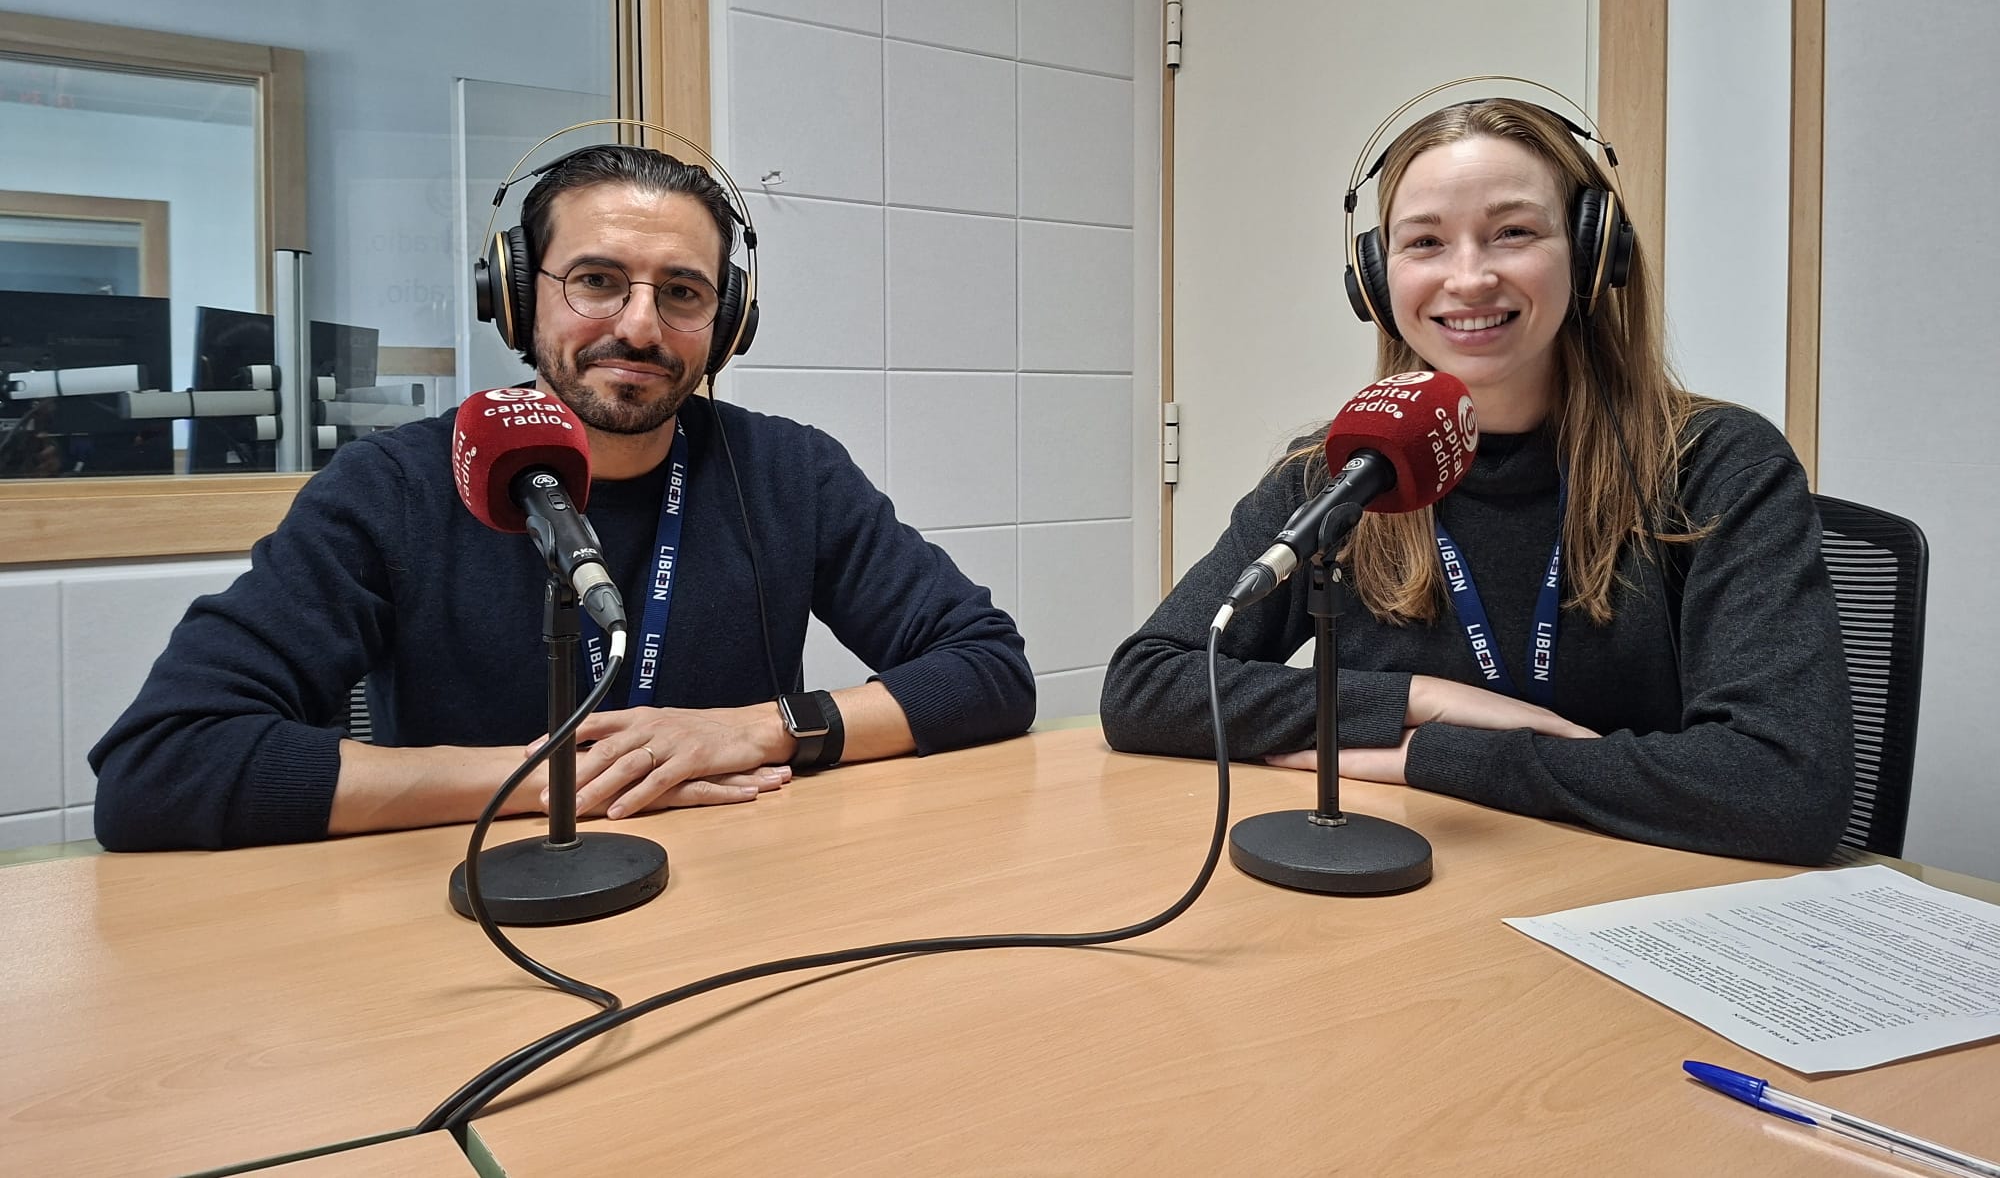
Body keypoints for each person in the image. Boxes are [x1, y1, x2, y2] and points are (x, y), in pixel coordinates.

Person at [91, 144, 1035, 850]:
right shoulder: (393, 488)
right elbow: (164, 765)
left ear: (729, 321)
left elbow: (988, 668)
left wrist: (756, 730)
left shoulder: (790, 472)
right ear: (514, 295)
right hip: (479, 912)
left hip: (743, 890)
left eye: (683, 293)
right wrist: (554, 779)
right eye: (596, 281)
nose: (639, 326)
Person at [1101, 97, 1853, 865]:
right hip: (1428, 892)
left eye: (1513, 232)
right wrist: (1423, 701)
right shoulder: (1340, 474)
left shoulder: (1717, 463)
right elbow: (1145, 689)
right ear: (1376, 279)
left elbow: (1785, 787)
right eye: (1425, 241)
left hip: (1637, 890)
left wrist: (1429, 754)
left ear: (1592, 250)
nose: (1468, 278)